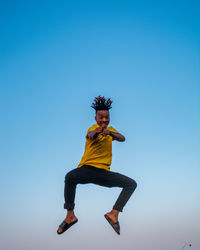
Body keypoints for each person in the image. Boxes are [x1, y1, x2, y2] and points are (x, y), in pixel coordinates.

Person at [57, 96, 137, 235]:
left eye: (107, 117)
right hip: (87, 169)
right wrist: (98, 131)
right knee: (70, 177)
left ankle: (114, 214)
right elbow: (90, 135)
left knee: (131, 184)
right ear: (95, 118)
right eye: (101, 117)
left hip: (103, 173)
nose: (104, 120)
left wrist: (110, 133)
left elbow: (122, 138)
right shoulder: (92, 128)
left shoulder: (111, 130)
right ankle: (70, 216)